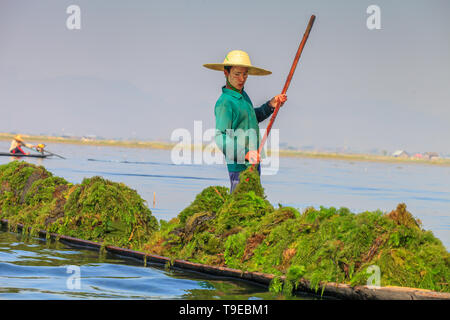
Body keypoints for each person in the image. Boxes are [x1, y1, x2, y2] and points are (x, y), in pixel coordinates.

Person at [203, 50, 287, 193]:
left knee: (254, 200)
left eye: (245, 74)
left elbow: (252, 117)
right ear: (226, 73)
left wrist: (270, 105)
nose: (242, 79)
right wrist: (245, 153)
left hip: (253, 161)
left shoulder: (243, 96)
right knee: (240, 202)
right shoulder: (225, 103)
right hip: (239, 164)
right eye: (237, 74)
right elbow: (221, 137)